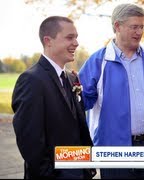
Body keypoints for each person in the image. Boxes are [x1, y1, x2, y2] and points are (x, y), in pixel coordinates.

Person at [78, 3, 144, 179]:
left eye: (142, 27)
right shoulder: (98, 61)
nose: (139, 32)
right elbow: (81, 103)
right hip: (114, 151)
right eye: (134, 27)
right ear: (117, 26)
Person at [11, 16, 96, 179]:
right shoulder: (31, 80)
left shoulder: (71, 78)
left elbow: (76, 125)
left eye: (76, 37)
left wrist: (86, 166)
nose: (76, 43)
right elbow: (30, 139)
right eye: (70, 37)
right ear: (48, 41)